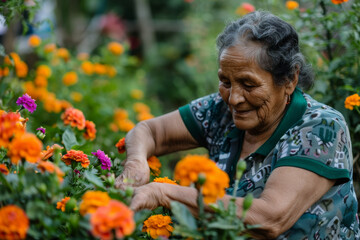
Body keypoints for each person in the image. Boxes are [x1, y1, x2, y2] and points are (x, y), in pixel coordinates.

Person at [115, 11, 359, 239]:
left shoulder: (320, 127)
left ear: (290, 79)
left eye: (248, 85)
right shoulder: (220, 110)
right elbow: (149, 132)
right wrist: (136, 162)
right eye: (225, 81)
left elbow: (269, 218)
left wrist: (163, 192)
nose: (233, 99)